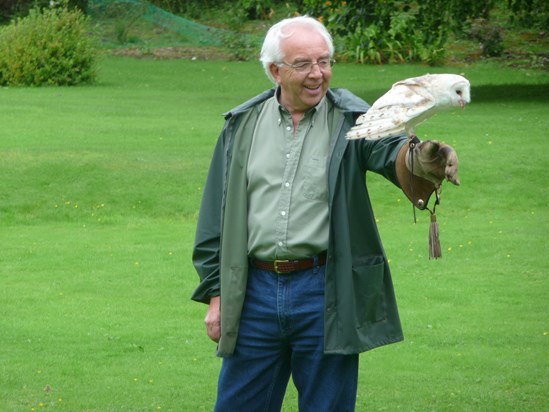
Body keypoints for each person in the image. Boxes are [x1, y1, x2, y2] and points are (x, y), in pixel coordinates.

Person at [191, 16, 459, 411]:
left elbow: (390, 152)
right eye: (304, 64)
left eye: (325, 61)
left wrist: (425, 158)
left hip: (325, 291)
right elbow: (215, 214)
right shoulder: (242, 125)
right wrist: (217, 296)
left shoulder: (353, 120)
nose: (318, 73)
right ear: (275, 71)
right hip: (253, 295)